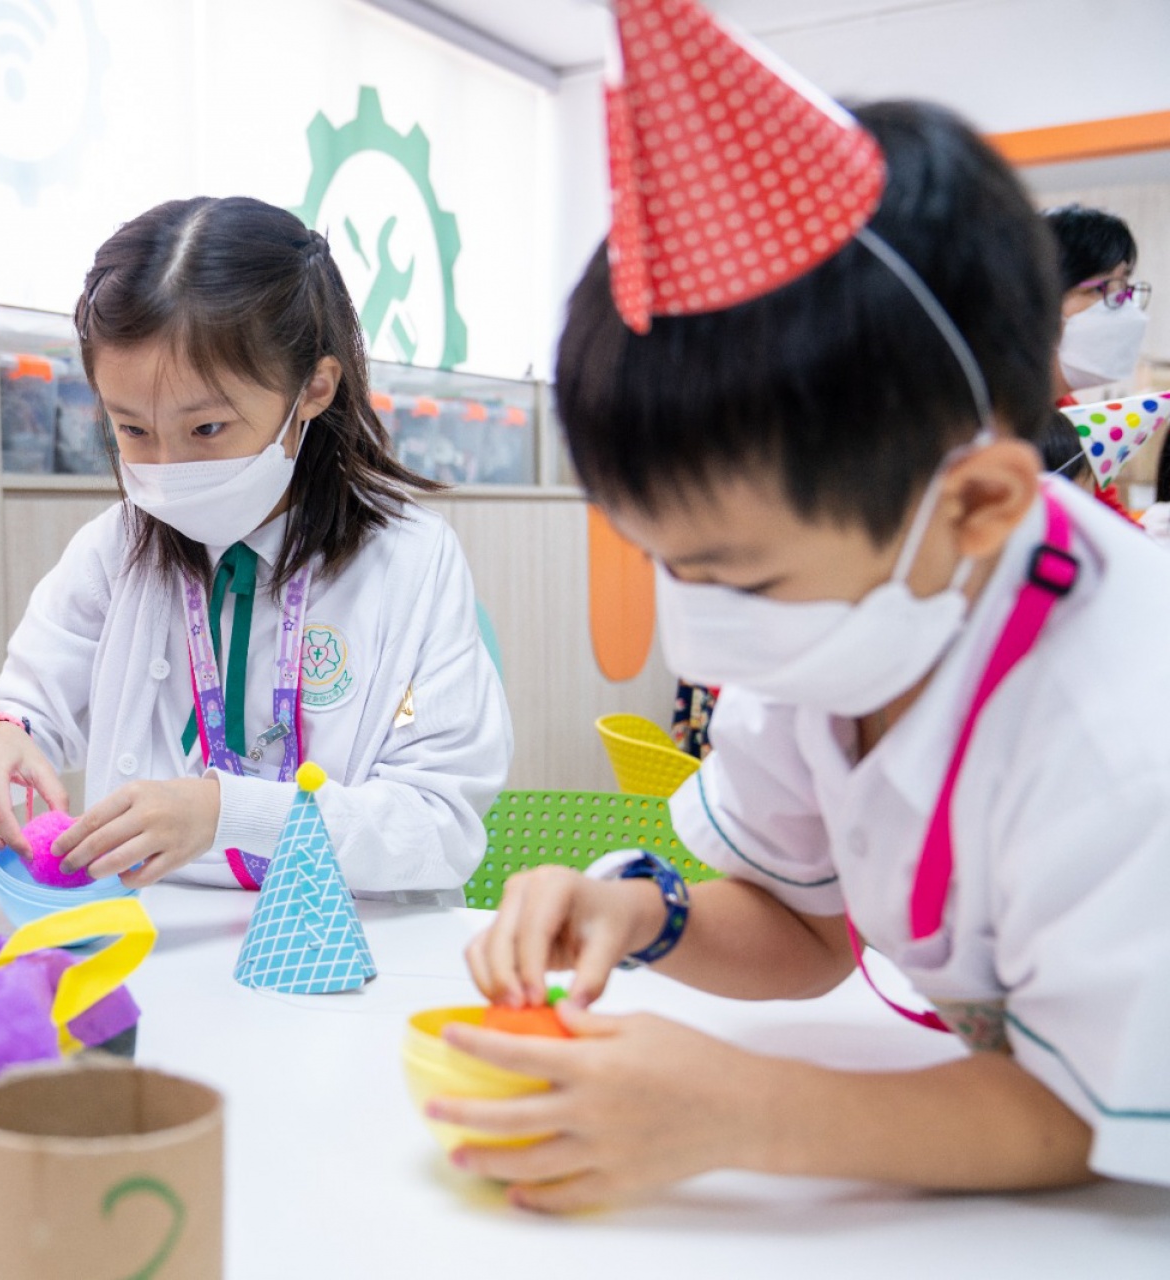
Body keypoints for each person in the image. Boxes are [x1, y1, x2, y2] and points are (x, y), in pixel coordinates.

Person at [443, 0, 1168, 1210]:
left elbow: (1080, 1109)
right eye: (663, 558)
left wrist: (747, 1108)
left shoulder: (1123, 736)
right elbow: (800, 922)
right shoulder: (849, 618)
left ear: (977, 503)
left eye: (740, 573)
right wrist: (639, 908)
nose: (696, 624)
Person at [0, 196, 510, 896]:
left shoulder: (411, 563)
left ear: (313, 389)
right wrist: (4, 736)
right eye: (132, 430)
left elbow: (438, 827)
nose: (167, 470)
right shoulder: (114, 551)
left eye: (206, 429)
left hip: (350, 937)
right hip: (156, 932)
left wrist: (227, 814)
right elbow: (35, 706)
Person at [1045, 203, 1149, 401]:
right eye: (1099, 289)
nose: (1123, 308)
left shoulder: (1069, 410)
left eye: (1123, 289)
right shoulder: (989, 413)